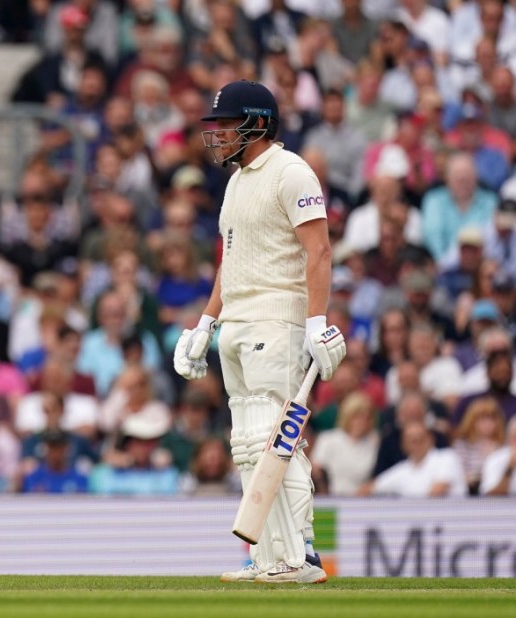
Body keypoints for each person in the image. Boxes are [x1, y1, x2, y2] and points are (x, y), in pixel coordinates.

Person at [172, 80, 346, 585]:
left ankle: (301, 556)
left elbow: (319, 251)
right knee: (249, 443)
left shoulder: (291, 172)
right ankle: (268, 558)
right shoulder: (239, 181)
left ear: (257, 122)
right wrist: (205, 322)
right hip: (238, 323)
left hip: (278, 318)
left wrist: (316, 321)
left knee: (278, 439)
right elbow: (232, 262)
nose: (219, 134)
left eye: (227, 124)